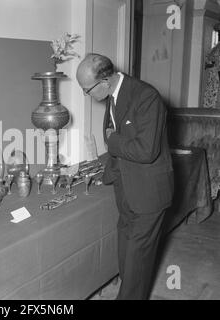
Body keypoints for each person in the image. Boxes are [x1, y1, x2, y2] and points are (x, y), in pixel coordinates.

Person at [76, 53, 174, 300]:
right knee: (126, 253)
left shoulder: (146, 97)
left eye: (86, 90)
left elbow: (146, 150)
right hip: (127, 190)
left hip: (148, 193)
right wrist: (107, 173)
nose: (85, 95)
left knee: (138, 262)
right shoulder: (113, 96)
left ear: (105, 81)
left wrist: (112, 140)